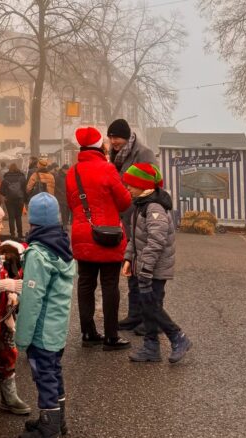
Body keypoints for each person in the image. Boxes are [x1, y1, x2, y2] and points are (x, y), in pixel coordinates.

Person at [15, 192, 75, 438]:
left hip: (42, 331)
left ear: (34, 223)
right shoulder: (61, 246)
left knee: (44, 376)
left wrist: (21, 336)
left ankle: (49, 432)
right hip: (57, 328)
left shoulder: (38, 254)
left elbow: (31, 300)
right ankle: (57, 419)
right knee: (54, 372)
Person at [66, 127, 132, 350]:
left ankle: (88, 333)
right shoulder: (108, 168)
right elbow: (124, 202)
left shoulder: (72, 172)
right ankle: (111, 337)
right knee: (110, 284)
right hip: (108, 234)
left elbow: (71, 203)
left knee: (85, 284)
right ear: (99, 146)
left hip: (82, 234)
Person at [121, 163, 192, 363]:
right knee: (147, 307)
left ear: (143, 185)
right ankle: (151, 347)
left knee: (152, 306)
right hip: (144, 267)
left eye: (132, 184)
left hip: (154, 270)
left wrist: (145, 267)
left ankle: (178, 337)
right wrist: (128, 259)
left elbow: (156, 241)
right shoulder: (141, 205)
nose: (128, 188)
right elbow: (135, 239)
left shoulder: (154, 208)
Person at [0, 199, 31, 424]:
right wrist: (5, 286)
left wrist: (11, 291)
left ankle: (8, 396)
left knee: (8, 350)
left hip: (4, 311)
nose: (1, 227)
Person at [106, 118, 156, 333]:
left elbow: (152, 183)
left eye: (116, 137)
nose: (113, 141)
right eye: (110, 138)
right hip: (124, 218)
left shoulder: (143, 153)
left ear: (126, 137)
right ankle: (135, 314)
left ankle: (150, 318)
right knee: (131, 267)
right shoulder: (114, 155)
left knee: (146, 270)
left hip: (140, 215)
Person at [0, 162, 27, 240]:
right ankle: (20, 234)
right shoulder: (22, 177)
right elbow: (25, 189)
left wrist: (7, 194)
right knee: (18, 217)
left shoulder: (6, 177)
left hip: (9, 200)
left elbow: (1, 191)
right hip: (20, 199)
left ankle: (12, 234)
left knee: (11, 217)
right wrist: (24, 198)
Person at [55, 164, 70, 229]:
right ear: (63, 169)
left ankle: (65, 223)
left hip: (67, 196)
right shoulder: (58, 176)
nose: (67, 171)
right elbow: (55, 186)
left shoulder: (68, 176)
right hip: (60, 197)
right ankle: (64, 225)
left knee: (67, 211)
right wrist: (60, 192)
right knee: (63, 211)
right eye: (66, 170)